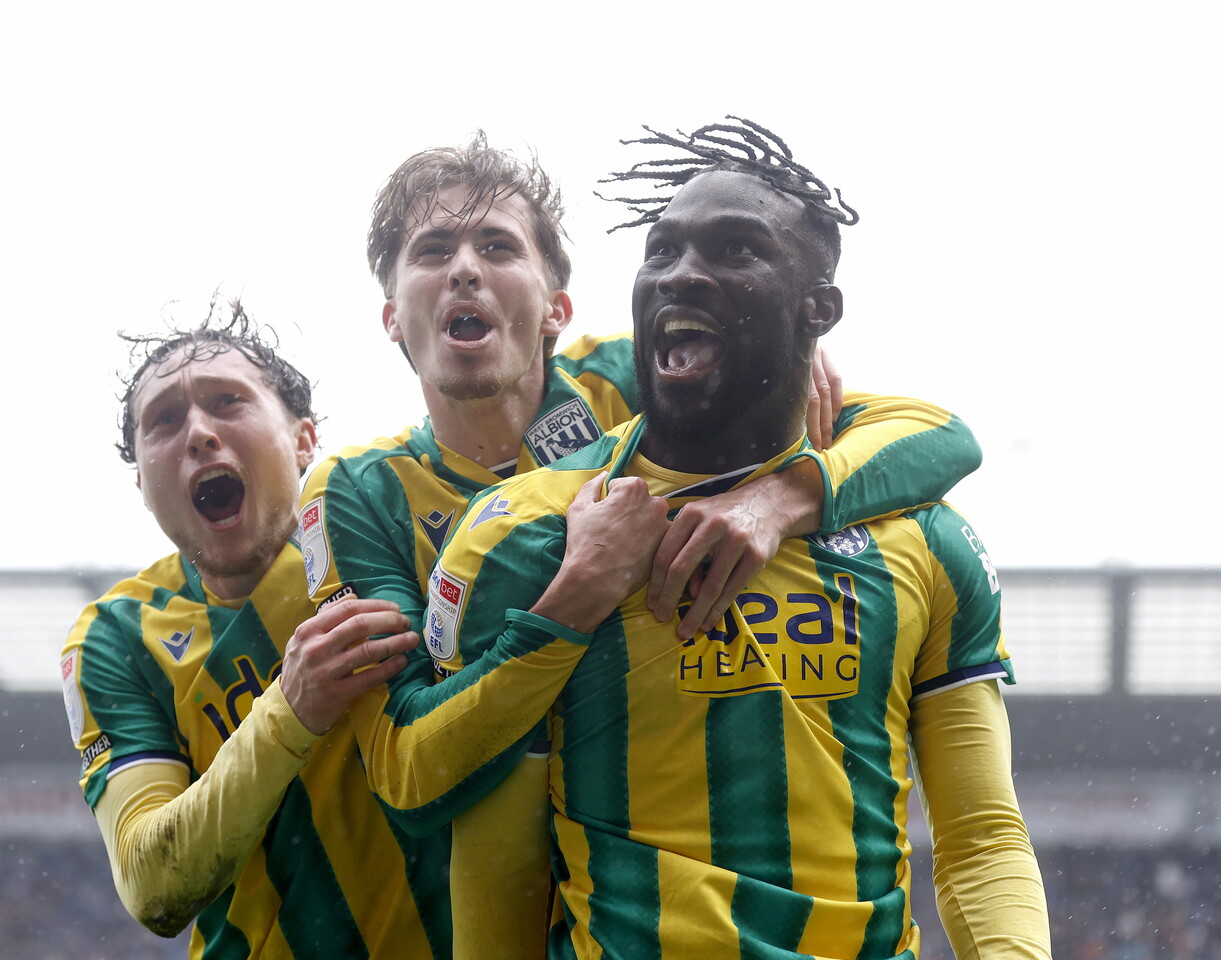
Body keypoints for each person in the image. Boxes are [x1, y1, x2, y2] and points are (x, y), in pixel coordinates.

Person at [424, 118, 1053, 958]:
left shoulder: (921, 539)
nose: (682, 275)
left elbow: (980, 835)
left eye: (736, 251)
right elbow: (498, 876)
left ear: (817, 310)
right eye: (662, 252)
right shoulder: (530, 536)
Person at [298, 132, 984, 851]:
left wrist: (781, 498)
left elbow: (941, 437)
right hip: (466, 873)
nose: (465, 269)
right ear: (390, 318)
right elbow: (404, 764)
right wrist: (578, 592)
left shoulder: (645, 374)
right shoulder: (355, 489)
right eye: (434, 251)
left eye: (497, 247)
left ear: (557, 307)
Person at [60, 300, 449, 958]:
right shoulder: (115, 639)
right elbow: (152, 885)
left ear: (304, 438)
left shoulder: (394, 519)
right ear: (142, 485)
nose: (199, 433)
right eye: (164, 420)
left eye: (228, 402)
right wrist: (290, 709)